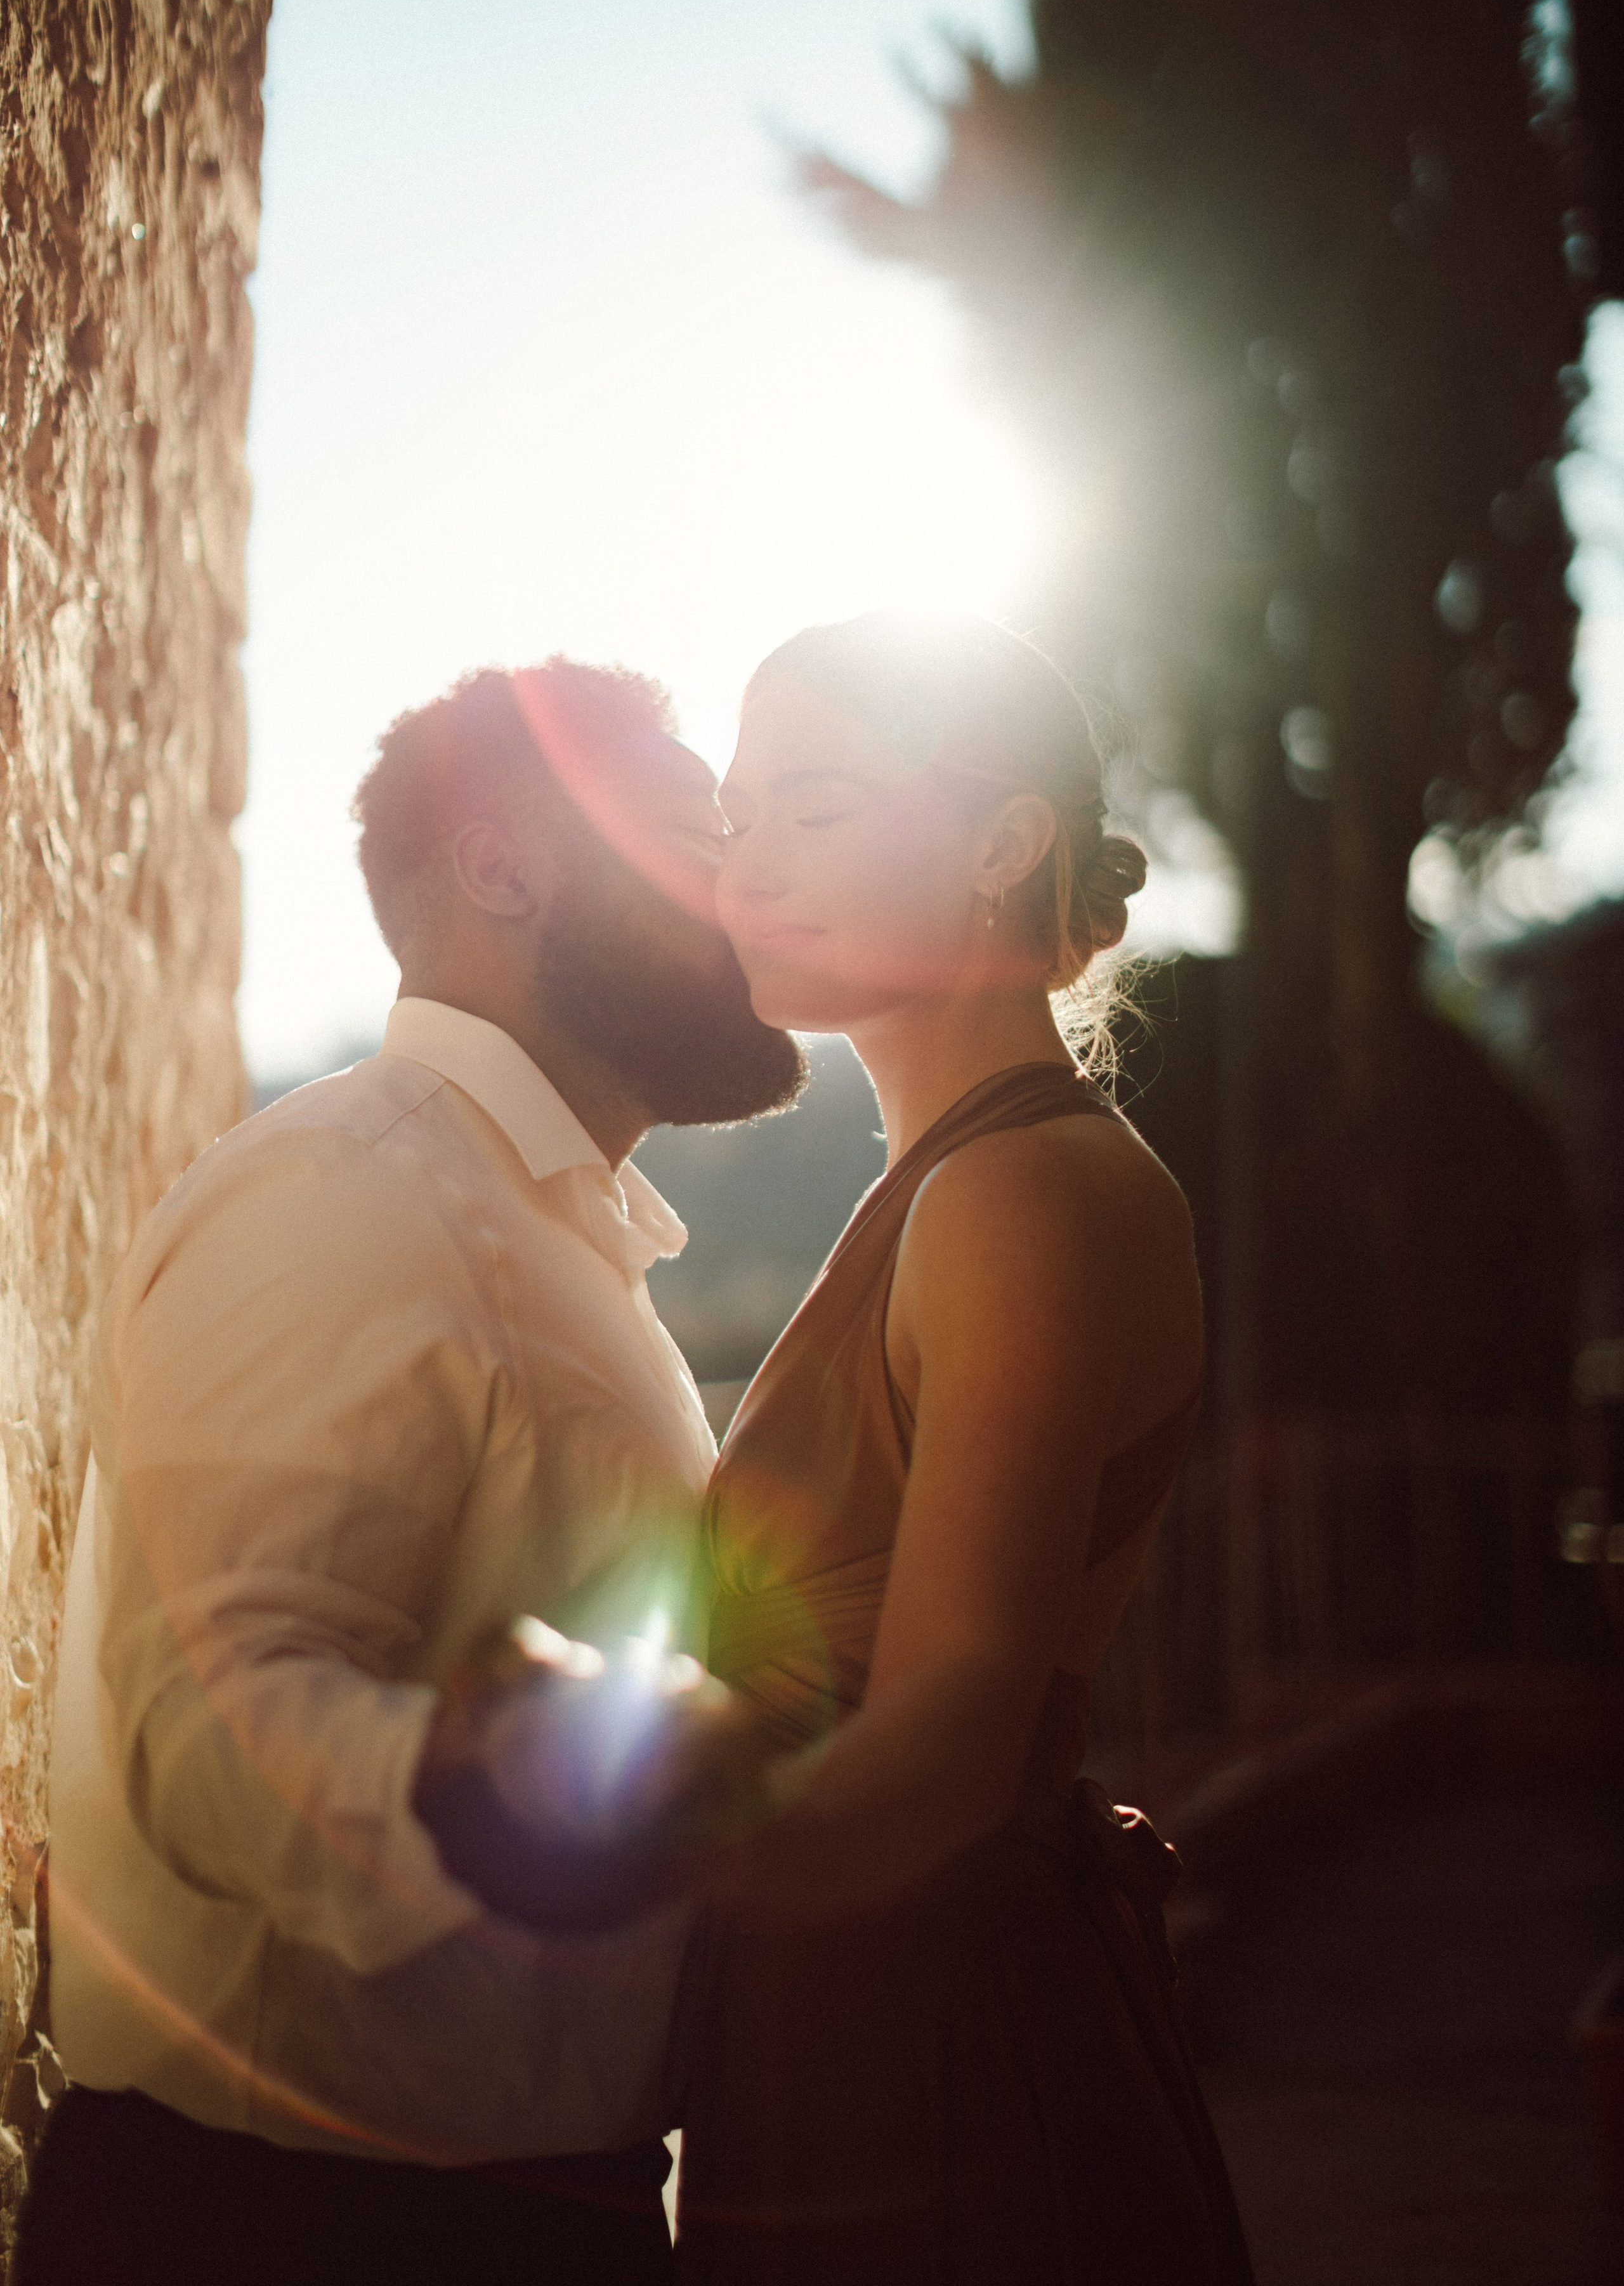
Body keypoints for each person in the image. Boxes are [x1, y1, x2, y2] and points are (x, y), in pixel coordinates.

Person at [21, 661, 804, 2286]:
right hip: (293, 2228)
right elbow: (208, 1712)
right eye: (689, 835)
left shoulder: (551, 1236)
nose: (744, 886)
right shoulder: (350, 1199)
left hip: (502, 2211)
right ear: (505, 868)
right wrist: (497, 1782)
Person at [662, 612, 1256, 2281]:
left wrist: (528, 1880)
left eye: (818, 807)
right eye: (737, 816)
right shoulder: (964, 1183)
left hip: (931, 2054)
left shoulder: (1013, 1193)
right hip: (870, 2008)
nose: (751, 863)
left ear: (1005, 845)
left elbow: (945, 1734)